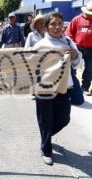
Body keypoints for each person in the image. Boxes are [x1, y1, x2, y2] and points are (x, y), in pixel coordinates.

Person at [33, 12, 82, 165]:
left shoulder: (68, 42)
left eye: (59, 23)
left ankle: (45, 136)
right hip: (44, 90)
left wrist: (75, 55)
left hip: (64, 87)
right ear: (47, 27)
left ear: (63, 25)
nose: (56, 27)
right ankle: (46, 149)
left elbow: (77, 64)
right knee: (45, 119)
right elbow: (28, 65)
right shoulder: (40, 45)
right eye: (53, 24)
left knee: (64, 119)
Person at [65, 1, 92, 96]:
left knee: (89, 69)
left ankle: (85, 87)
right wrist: (72, 45)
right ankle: (72, 86)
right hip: (78, 48)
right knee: (73, 68)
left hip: (91, 50)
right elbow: (68, 33)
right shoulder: (77, 19)